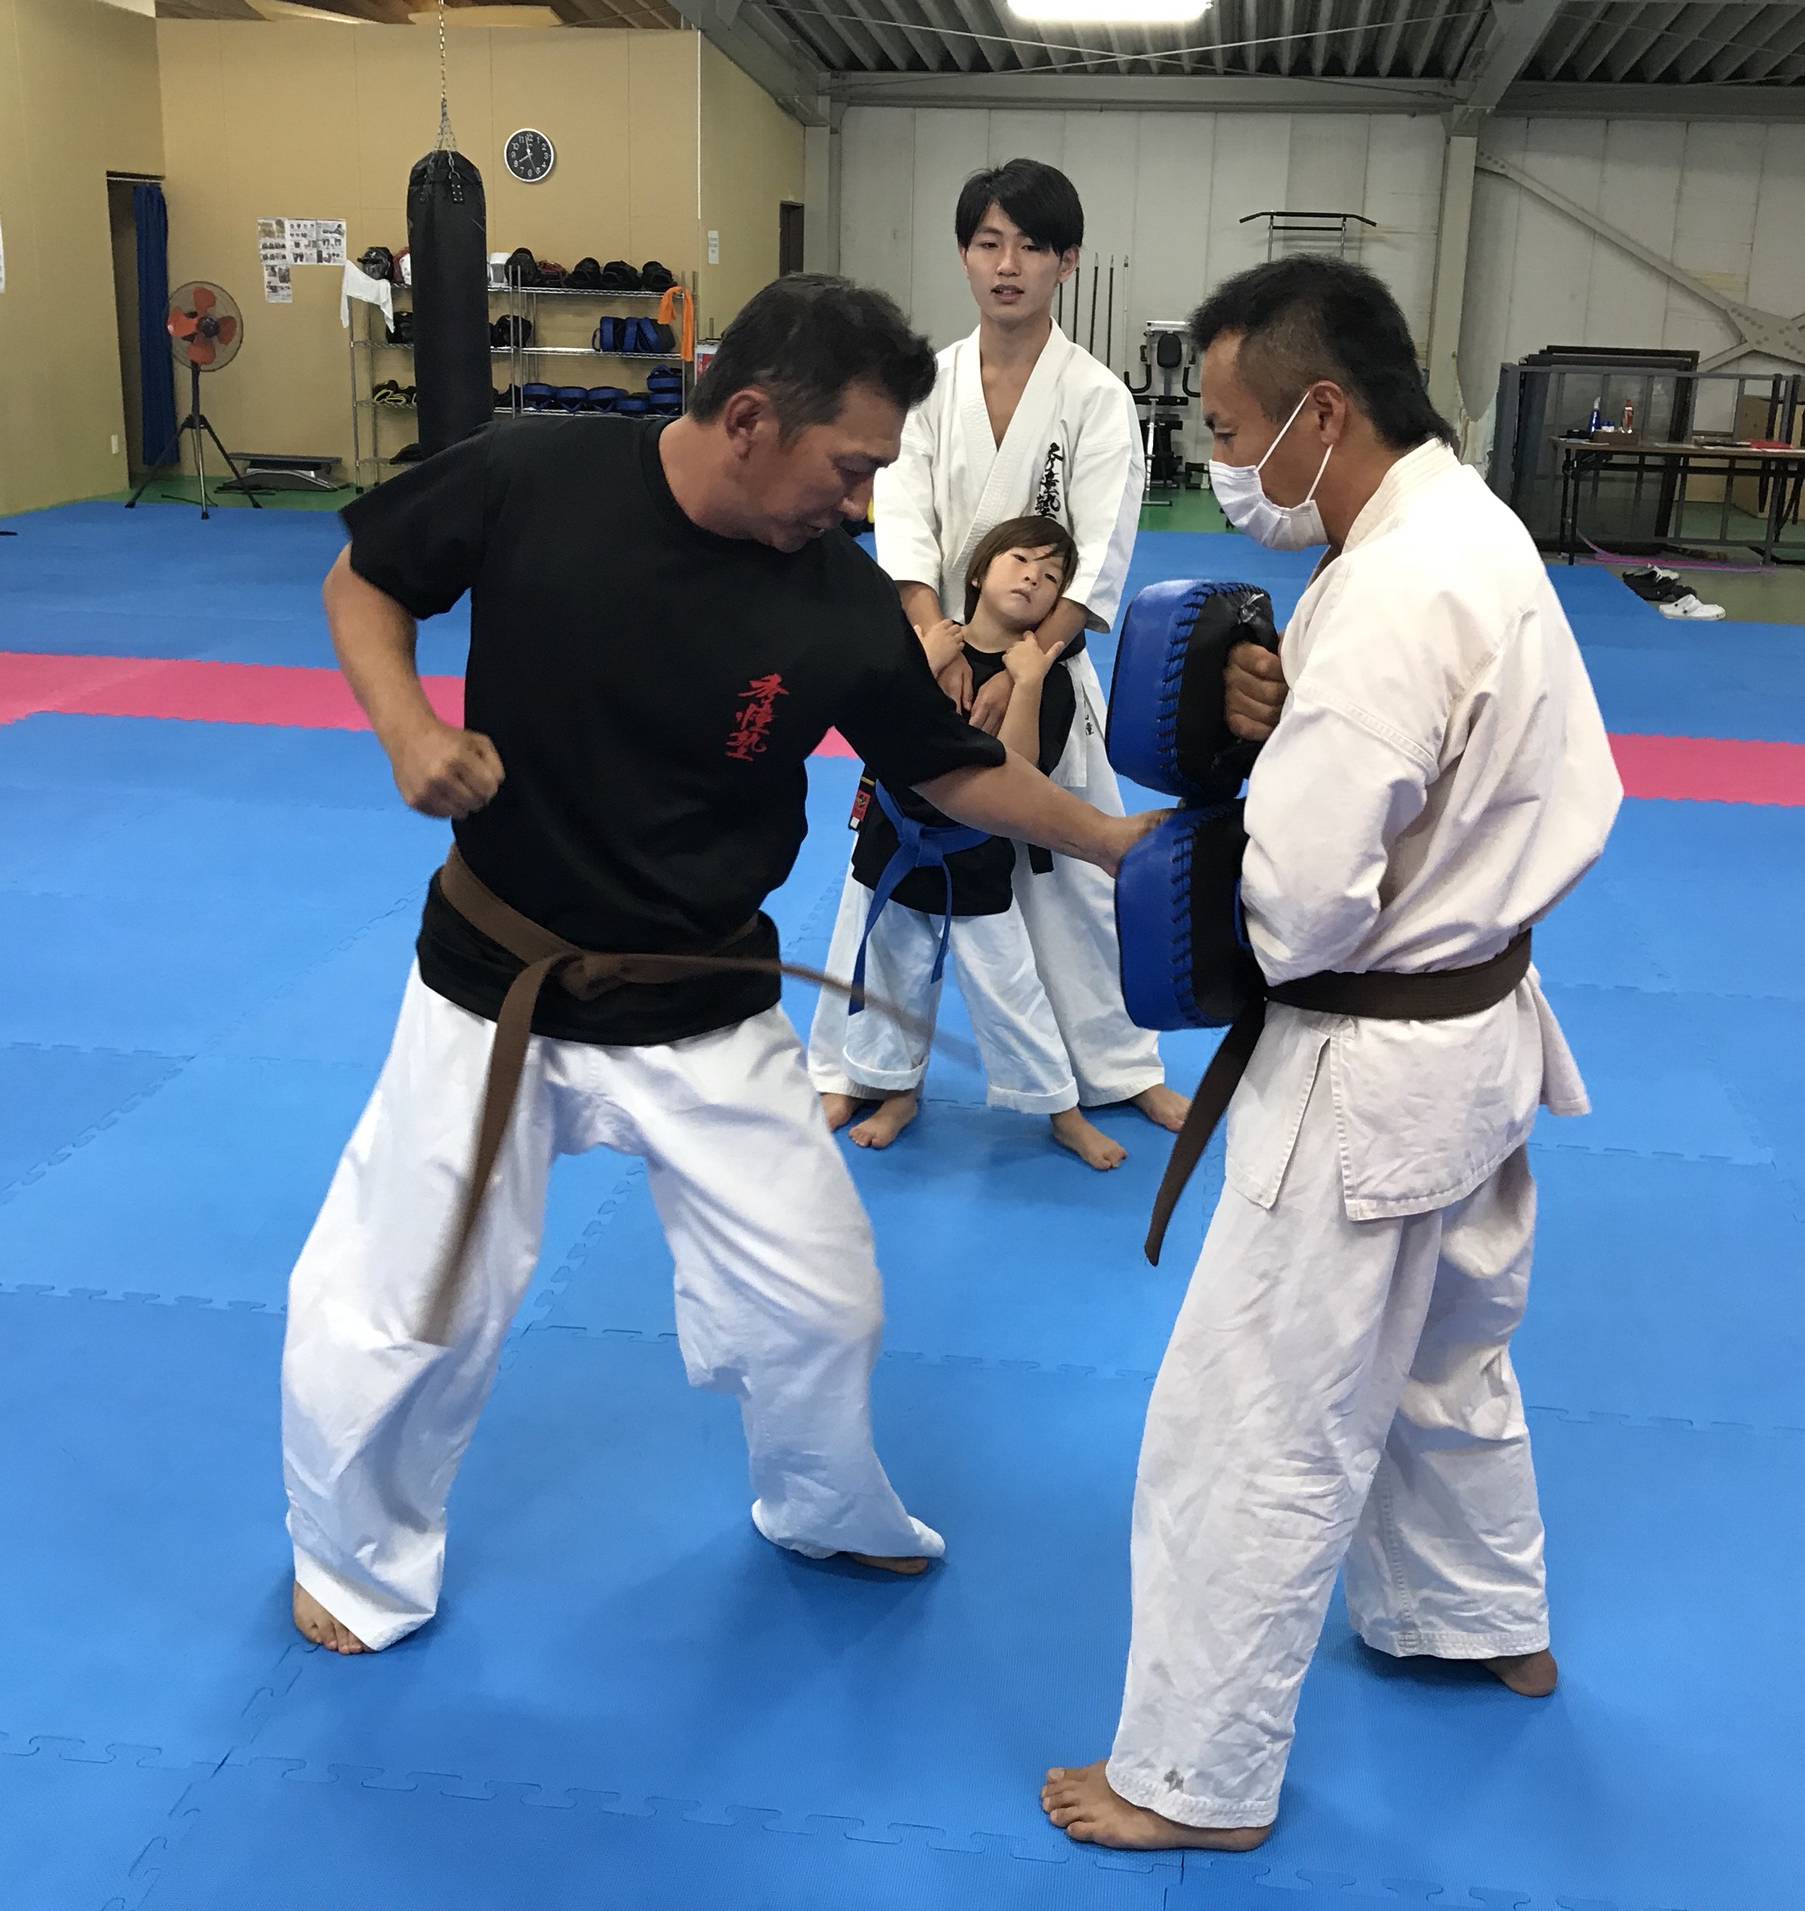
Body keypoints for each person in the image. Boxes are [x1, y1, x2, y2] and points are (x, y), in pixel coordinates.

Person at [282, 274, 1155, 1657]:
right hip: (496, 983)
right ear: (748, 419)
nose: (861, 503)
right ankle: (353, 1562)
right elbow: (366, 577)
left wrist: (1106, 840)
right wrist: (407, 730)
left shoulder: (837, 600)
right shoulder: (531, 477)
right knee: (406, 1304)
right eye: (850, 466)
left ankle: (819, 1506)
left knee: (821, 1300)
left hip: (703, 996)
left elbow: (944, 765)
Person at [1041, 257, 1623, 1848]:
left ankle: (1195, 1780)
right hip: (1481, 1033)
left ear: (1322, 412)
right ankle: (1479, 1620)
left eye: (1233, 432)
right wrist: (1287, 714)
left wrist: (1229, 822)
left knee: (1250, 1424)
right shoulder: (1470, 529)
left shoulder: (1385, 597)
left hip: (1363, 1075)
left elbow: (1297, 913)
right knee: (1444, 1357)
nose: (1224, 465)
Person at [865, 157, 1186, 1137]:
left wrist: (1024, 663)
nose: (1007, 265)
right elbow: (902, 519)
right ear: (963, 254)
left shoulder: (1094, 396)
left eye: (1031, 247)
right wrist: (935, 638)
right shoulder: (926, 385)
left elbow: (1101, 549)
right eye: (987, 243)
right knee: (893, 863)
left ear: (1066, 261)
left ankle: (1118, 1067)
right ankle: (873, 1066)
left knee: (1078, 878)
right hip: (936, 662)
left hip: (1047, 671)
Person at [810, 515, 1126, 1171]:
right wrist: (922, 665)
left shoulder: (1047, 675)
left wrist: (1028, 682)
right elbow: (874, 726)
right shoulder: (919, 642)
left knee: (1012, 991)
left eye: (1052, 576)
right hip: (892, 843)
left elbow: (1019, 774)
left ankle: (1062, 1111)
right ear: (979, 572)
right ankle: (893, 1092)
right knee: (888, 983)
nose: (1034, 578)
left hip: (977, 857)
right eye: (1021, 560)